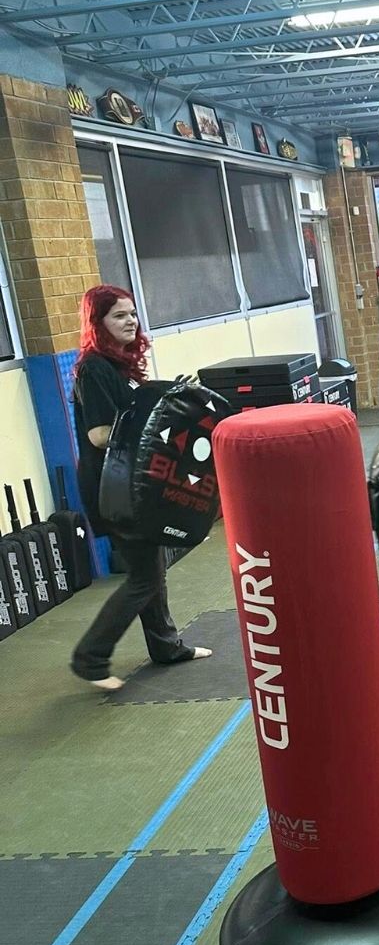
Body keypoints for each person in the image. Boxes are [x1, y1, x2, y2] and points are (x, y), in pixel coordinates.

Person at [70, 285, 211, 691]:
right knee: (144, 576)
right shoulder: (94, 368)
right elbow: (99, 434)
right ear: (98, 323)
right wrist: (156, 417)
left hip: (132, 482)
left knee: (151, 566)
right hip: (111, 486)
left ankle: (166, 647)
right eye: (119, 316)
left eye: (132, 314)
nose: (130, 321)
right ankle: (90, 658)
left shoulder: (119, 367)